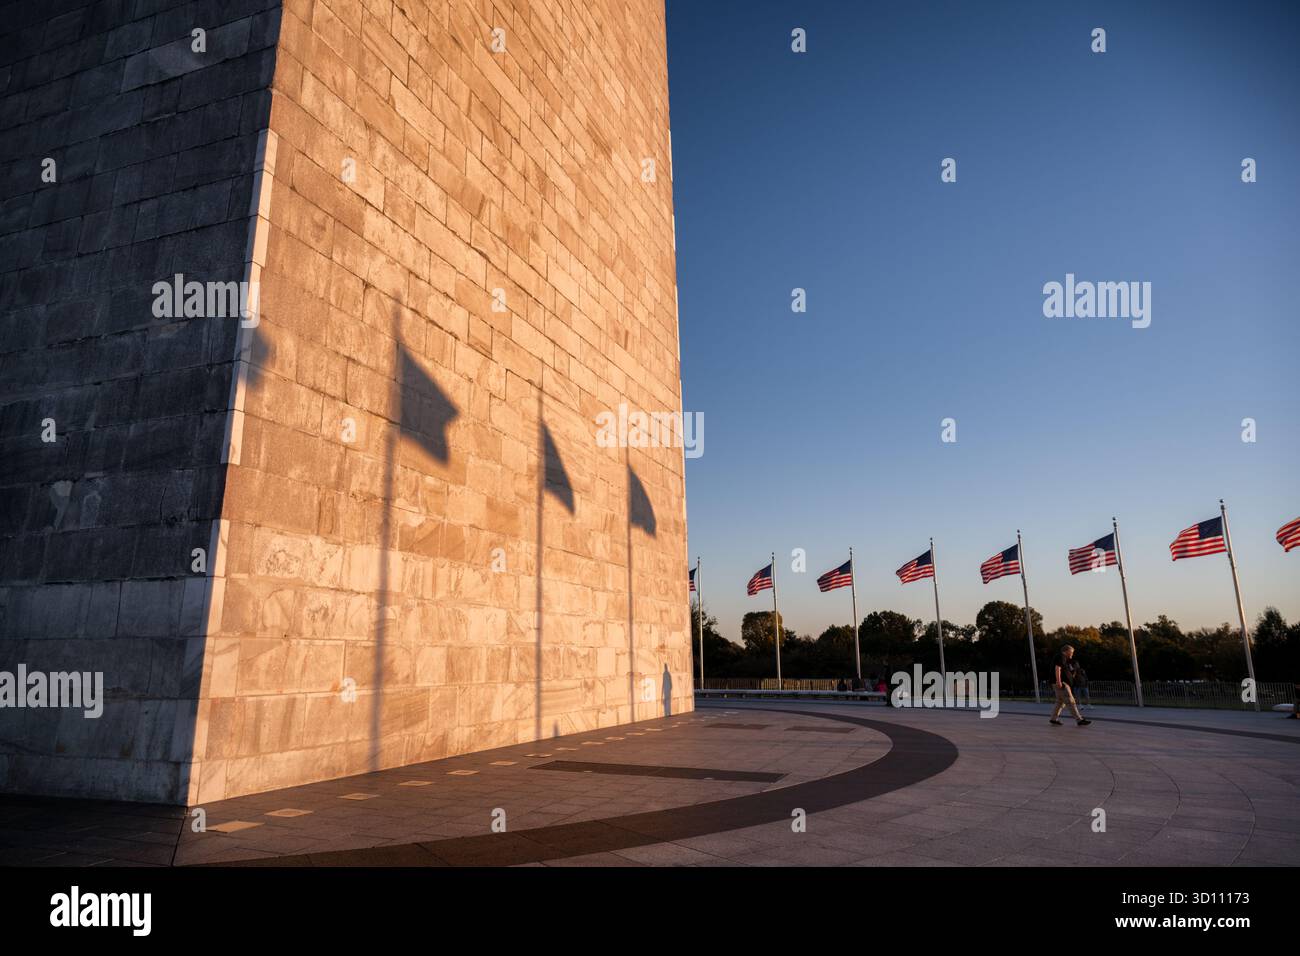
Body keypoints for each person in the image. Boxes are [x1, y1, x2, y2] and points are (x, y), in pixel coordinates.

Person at [1050, 644, 1091, 726]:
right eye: (1071, 652)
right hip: (1062, 683)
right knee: (1070, 701)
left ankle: (1053, 719)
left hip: (1059, 683)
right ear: (1066, 651)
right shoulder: (1061, 656)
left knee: (1060, 702)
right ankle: (1079, 719)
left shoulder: (1063, 658)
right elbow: (1057, 668)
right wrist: (1059, 681)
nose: (1072, 654)